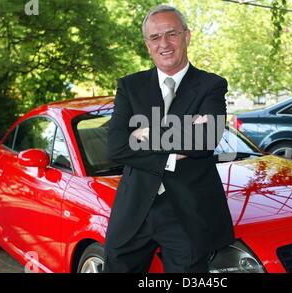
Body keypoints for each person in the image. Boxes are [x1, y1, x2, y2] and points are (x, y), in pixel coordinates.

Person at [103, 4, 234, 273]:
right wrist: (182, 136)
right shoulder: (130, 86)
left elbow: (206, 138)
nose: (164, 43)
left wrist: (144, 133)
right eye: (155, 37)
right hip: (134, 209)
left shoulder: (211, 85)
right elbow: (115, 146)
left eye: (172, 34)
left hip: (187, 211)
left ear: (187, 36)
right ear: (147, 44)